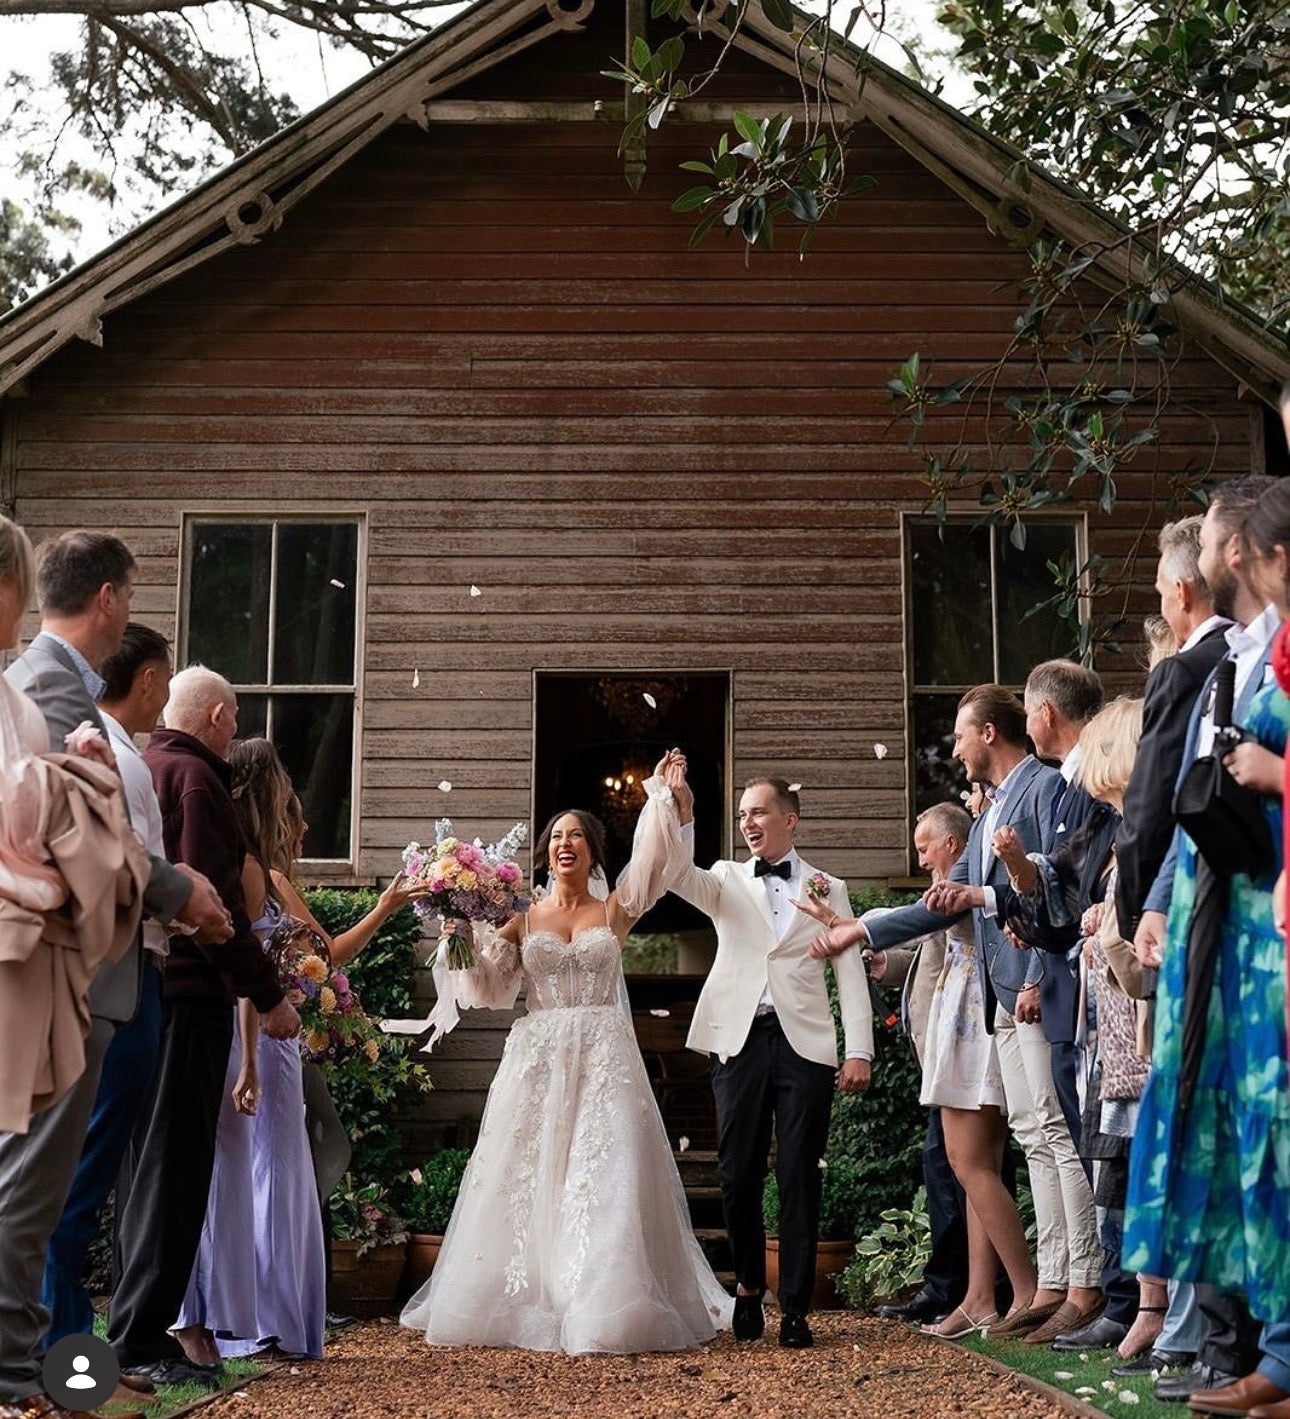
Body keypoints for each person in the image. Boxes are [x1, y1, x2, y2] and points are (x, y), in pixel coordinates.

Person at [0, 529, 231, 1419]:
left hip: (99, 974)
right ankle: (30, 1374)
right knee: (45, 1189)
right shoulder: (46, 689)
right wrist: (182, 892)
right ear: (106, 597)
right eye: (129, 596)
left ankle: (58, 1369)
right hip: (68, 971)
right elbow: (77, 834)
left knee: (64, 1189)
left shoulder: (67, 697)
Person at [400, 754, 732, 1354]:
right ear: (546, 853)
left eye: (576, 835)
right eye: (556, 837)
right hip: (541, 1056)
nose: (564, 843)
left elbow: (656, 861)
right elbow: (489, 988)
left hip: (605, 1056)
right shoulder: (523, 919)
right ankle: (529, 1293)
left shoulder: (615, 909)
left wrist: (665, 797)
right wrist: (460, 936)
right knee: (531, 1170)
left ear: (592, 851)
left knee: (603, 1173)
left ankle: (600, 1296)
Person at [812, 685, 1072, 1339]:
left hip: (1001, 996)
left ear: (988, 732)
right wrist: (867, 933)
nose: (952, 745)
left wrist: (861, 927)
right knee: (981, 1156)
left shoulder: (1037, 791)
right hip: (985, 1001)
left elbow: (1038, 896)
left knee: (995, 1152)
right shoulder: (991, 814)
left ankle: (1035, 1289)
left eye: (959, 732)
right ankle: (990, 1294)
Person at [1124, 474, 1290, 1417]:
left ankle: (1253, 1343)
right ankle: (1267, 1347)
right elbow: (1188, 793)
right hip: (1217, 909)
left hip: (1268, 916)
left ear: (1245, 554)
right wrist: (1151, 896)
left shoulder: (1259, 649)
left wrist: (1275, 772)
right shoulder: (1248, 652)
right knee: (1238, 1127)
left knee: (1269, 1125)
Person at [179, 744, 428, 1361]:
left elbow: (326, 953)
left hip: (282, 1043)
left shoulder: (279, 880)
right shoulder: (249, 871)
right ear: (271, 805)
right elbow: (246, 966)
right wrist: (253, 1060)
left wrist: (383, 908)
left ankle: (278, 1316)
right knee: (262, 1175)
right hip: (258, 1042)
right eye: (293, 807)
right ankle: (258, 1316)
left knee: (284, 1174)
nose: (305, 823)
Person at [109, 669, 301, 1387]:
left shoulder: (144, 765)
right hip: (191, 998)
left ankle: (131, 1326)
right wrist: (267, 994)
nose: (234, 730)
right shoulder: (196, 779)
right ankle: (140, 1339)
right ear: (218, 716)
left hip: (146, 991)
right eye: (235, 718)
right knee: (176, 1169)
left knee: (143, 1168)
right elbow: (214, 906)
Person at [661, 768, 872, 1352]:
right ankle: (750, 1287)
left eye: (757, 812)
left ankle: (797, 1308)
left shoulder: (829, 888)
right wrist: (683, 812)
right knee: (738, 1170)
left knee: (801, 1172)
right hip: (740, 1039)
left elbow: (849, 969)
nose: (748, 823)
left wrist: (858, 1049)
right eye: (742, 815)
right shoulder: (726, 878)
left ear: (789, 819)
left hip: (806, 1045)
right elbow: (676, 873)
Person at [42, 623, 174, 1349]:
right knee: (81, 1175)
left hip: (120, 978)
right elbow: (128, 875)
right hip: (118, 980)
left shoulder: (122, 754)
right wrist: (191, 907)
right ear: (149, 679)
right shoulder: (120, 761)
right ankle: (62, 1349)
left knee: (84, 1173)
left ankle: (64, 1345)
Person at [851, 803, 1023, 1337]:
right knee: (976, 1167)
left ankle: (1027, 1292)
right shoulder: (954, 882)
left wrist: (849, 927)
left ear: (954, 843)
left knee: (969, 1164)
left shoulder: (965, 881)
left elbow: (923, 924)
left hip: (973, 1019)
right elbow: (926, 946)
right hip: (959, 1017)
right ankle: (979, 1298)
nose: (920, 854)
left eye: (927, 845)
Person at [1115, 517, 1230, 946]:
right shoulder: (1258, 656)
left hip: (1176, 907)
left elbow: (1150, 805)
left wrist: (1135, 912)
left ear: (1181, 593)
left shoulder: (1180, 673)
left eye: (1161, 593)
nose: (1162, 604)